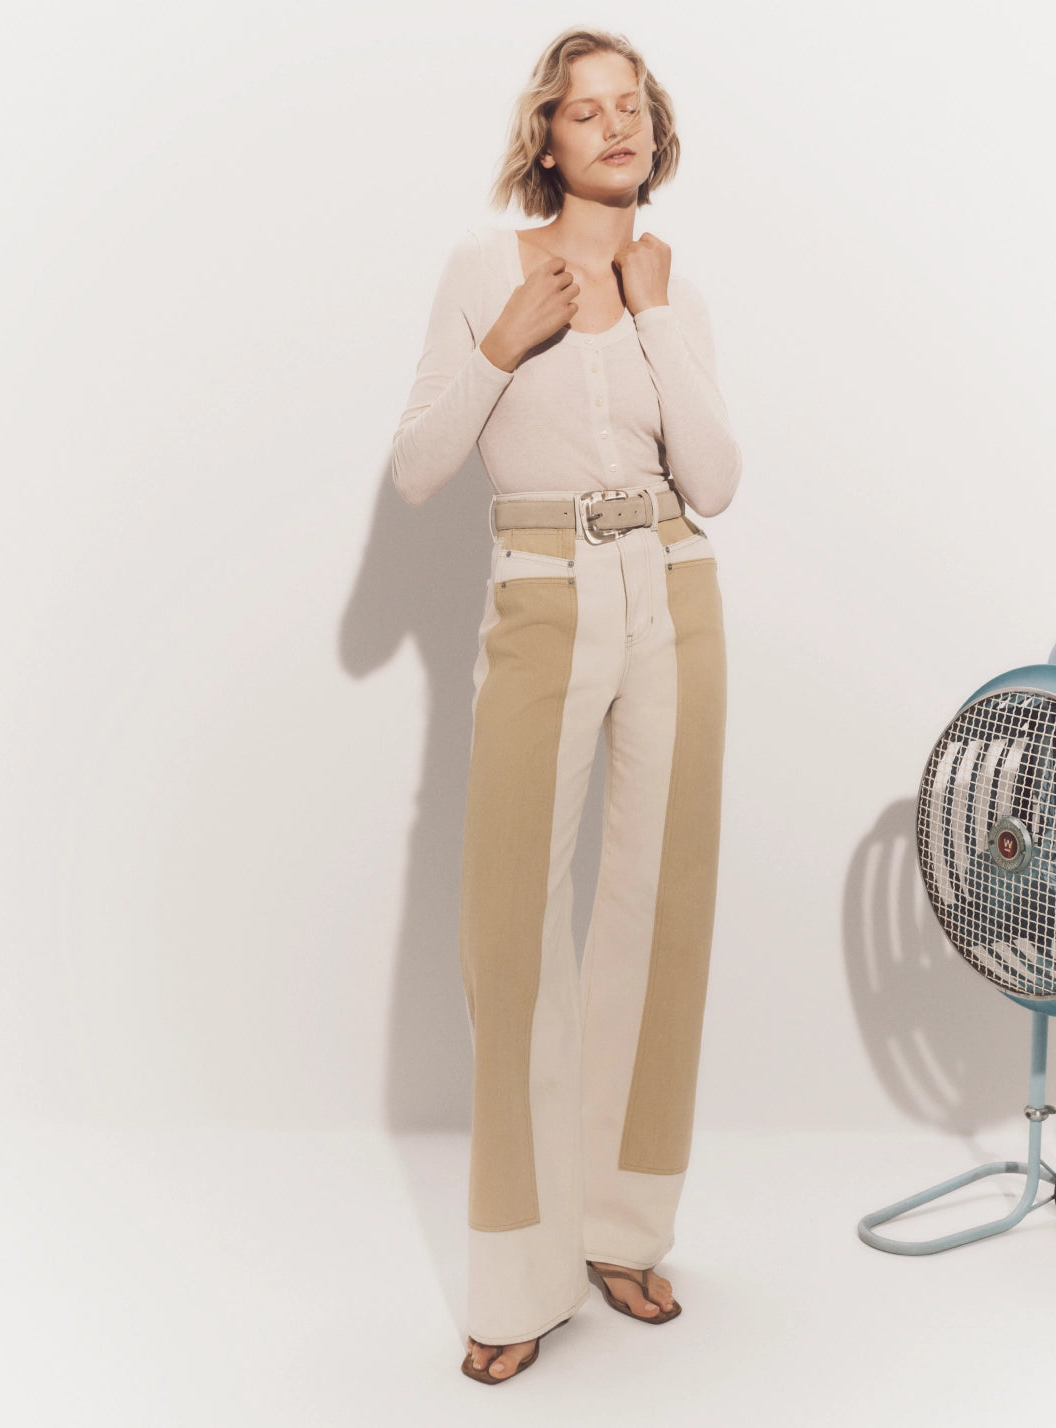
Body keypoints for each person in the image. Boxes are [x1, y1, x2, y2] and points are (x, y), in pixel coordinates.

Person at [391, 26, 742, 1384]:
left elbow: (715, 480)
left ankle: (622, 1227)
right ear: (545, 136)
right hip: (540, 589)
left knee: (662, 908)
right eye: (587, 110)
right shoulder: (484, 269)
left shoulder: (672, 289)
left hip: (673, 583)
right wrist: (502, 344)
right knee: (514, 933)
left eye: (631, 107)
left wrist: (649, 313)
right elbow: (420, 466)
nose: (616, 126)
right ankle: (518, 1274)